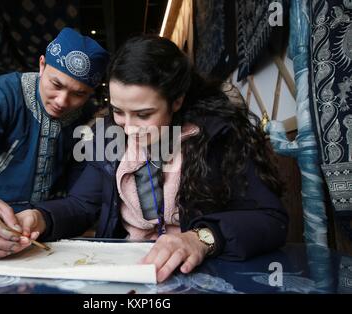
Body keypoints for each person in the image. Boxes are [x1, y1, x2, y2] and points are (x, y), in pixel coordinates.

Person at [16, 35, 287, 283]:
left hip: (203, 273)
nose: (129, 128)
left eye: (144, 114)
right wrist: (41, 218)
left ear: (176, 101)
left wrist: (201, 238)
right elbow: (82, 204)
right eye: (118, 111)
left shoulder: (218, 136)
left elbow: (271, 220)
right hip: (130, 271)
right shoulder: (108, 135)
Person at [0, 28, 109, 258]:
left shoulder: (89, 122)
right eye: (56, 84)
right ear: (42, 65)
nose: (62, 101)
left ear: (91, 93)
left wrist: (45, 219)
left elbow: (81, 200)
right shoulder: (3, 94)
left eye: (79, 94)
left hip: (53, 234)